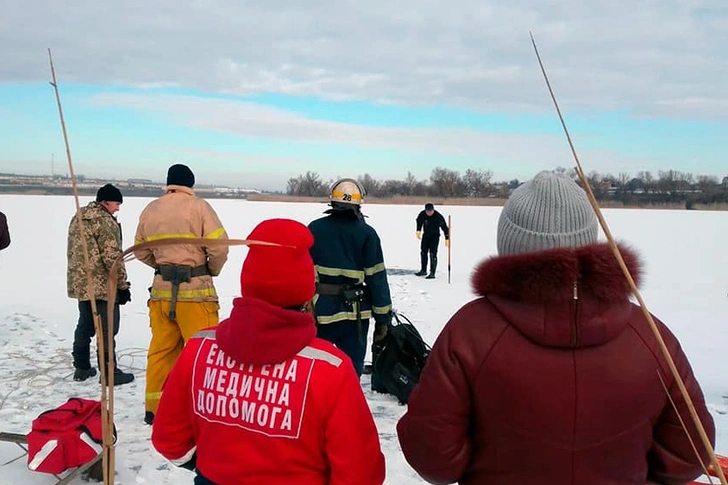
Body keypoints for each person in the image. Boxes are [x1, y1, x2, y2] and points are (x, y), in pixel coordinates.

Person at [397, 170, 715, 485]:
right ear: (589, 239)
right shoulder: (650, 336)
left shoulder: (469, 332)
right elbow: (690, 456)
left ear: (509, 243)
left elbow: (434, 459)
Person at [151, 218, 386, 485]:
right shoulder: (330, 370)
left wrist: (211, 466)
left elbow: (169, 438)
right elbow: (361, 472)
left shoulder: (199, 349)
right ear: (306, 287)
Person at [134, 163, 229, 425]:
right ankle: (204, 408)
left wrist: (162, 267)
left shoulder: (151, 209)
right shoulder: (199, 207)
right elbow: (219, 247)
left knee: (161, 351)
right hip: (196, 294)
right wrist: (209, 270)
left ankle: (154, 408)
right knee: (205, 353)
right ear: (191, 184)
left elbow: (140, 250)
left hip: (161, 293)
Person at [308, 178, 392, 379]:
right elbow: (376, 279)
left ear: (333, 201)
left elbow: (301, 271)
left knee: (316, 367)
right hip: (355, 315)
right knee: (350, 373)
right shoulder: (367, 234)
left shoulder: (314, 228)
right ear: (358, 203)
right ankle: (347, 406)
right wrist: (383, 319)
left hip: (320, 311)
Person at [67, 184, 135, 385]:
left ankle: (81, 367)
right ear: (105, 202)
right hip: (103, 285)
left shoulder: (79, 216)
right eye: (116, 204)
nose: (118, 209)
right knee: (107, 329)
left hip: (83, 283)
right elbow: (112, 258)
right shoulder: (104, 221)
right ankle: (109, 372)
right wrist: (123, 286)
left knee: (86, 324)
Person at [414, 202, 449, 278]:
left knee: (432, 254)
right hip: (426, 236)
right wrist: (418, 230)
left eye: (431, 211)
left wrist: (447, 238)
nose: (429, 213)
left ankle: (432, 273)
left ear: (433, 210)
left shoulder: (438, 216)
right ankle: (423, 270)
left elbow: (445, 228)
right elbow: (419, 221)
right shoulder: (422, 214)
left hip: (435, 237)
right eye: (428, 211)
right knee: (423, 252)